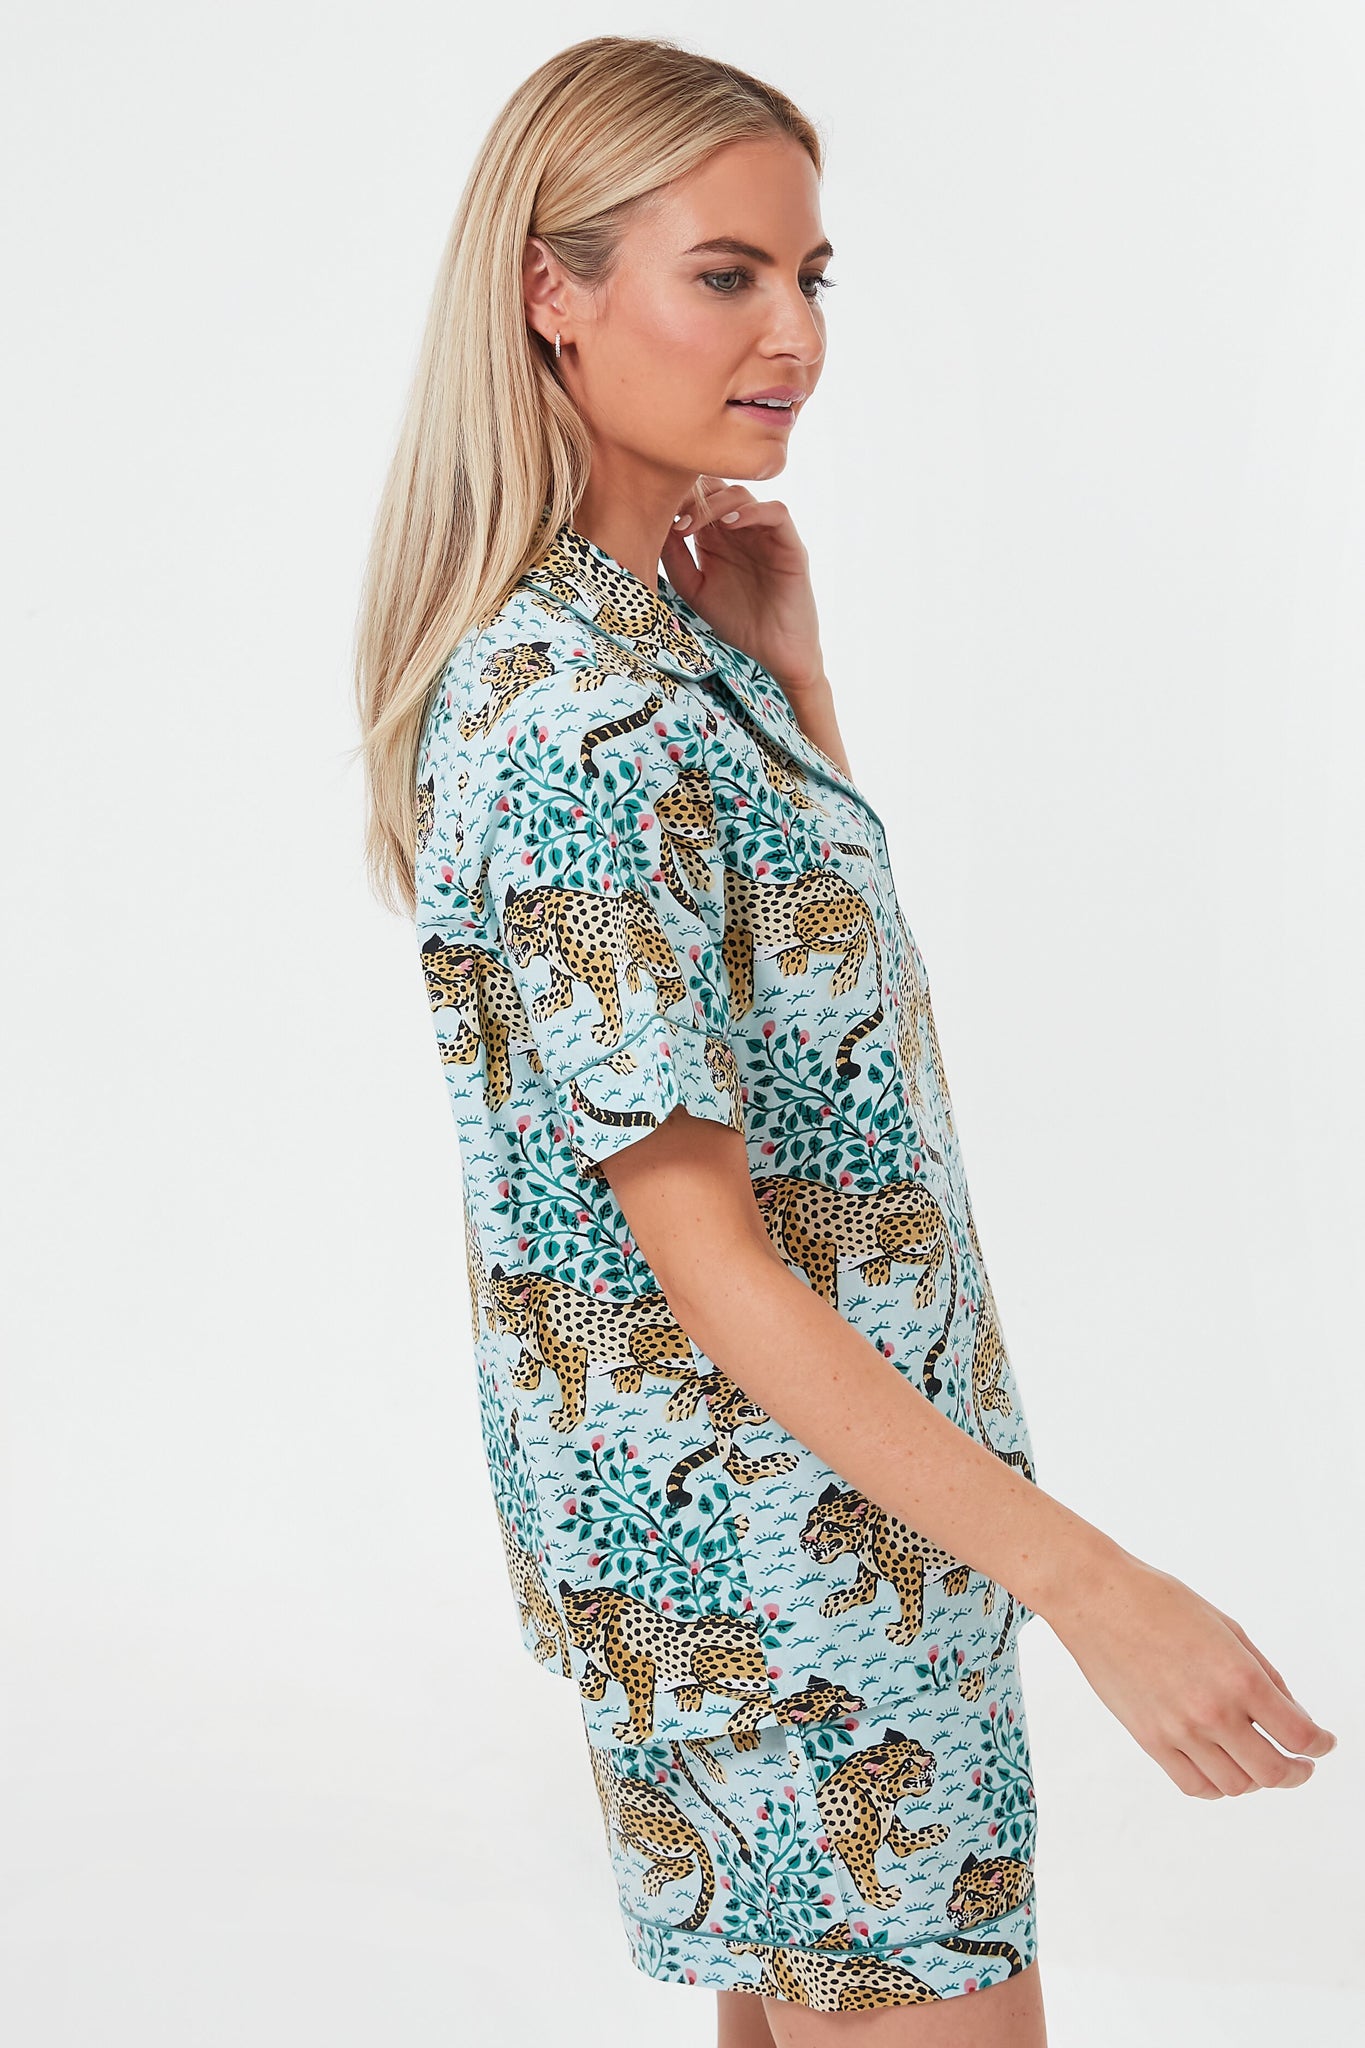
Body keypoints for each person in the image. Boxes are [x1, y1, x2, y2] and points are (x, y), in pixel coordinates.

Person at [353, 34, 1337, 2045]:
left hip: (817, 1549)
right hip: (786, 1580)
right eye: (724, 274)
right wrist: (1095, 1586)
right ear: (551, 289)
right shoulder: (575, 711)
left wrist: (794, 696)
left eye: (809, 275)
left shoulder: (653, 660)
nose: (791, 331)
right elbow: (703, 1260)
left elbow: (823, 1075)